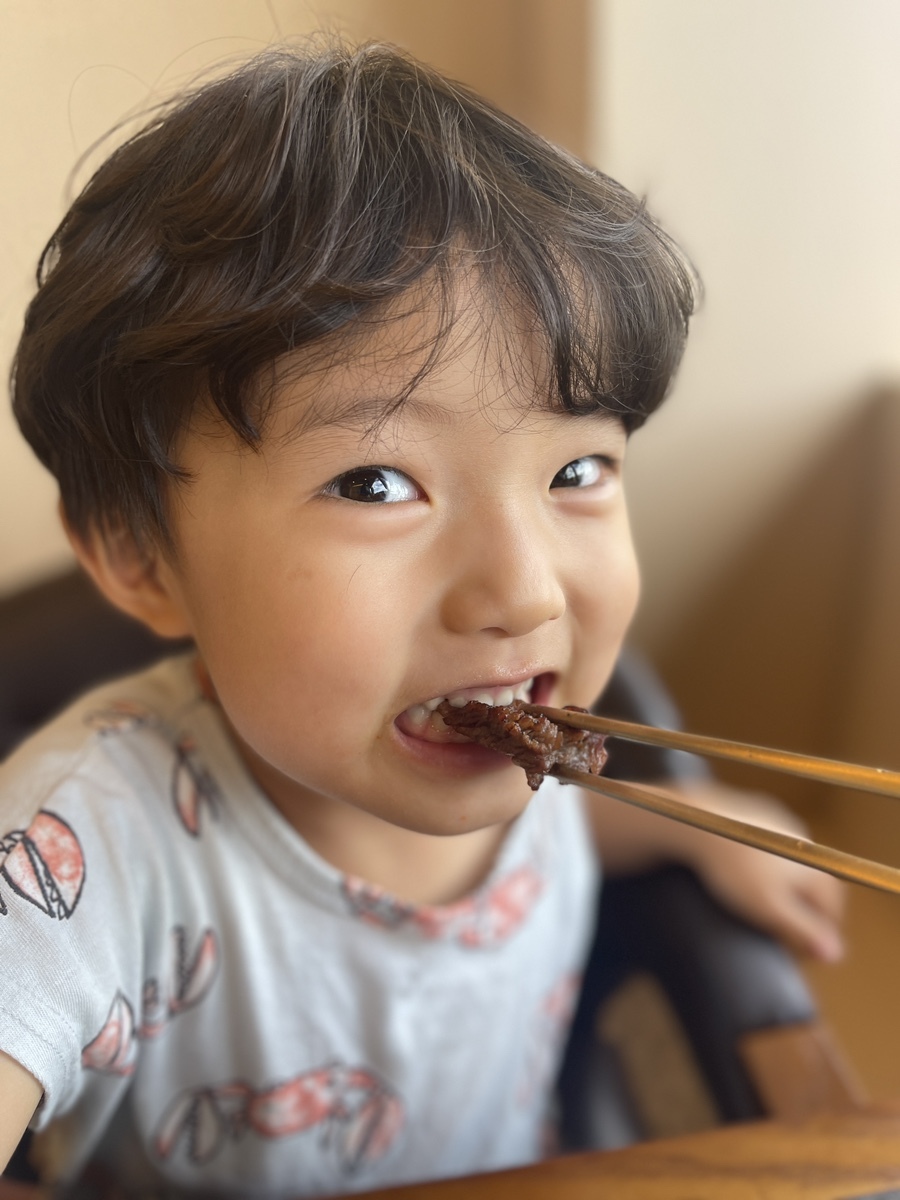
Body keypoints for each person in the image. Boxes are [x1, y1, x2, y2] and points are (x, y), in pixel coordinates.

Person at [0, 40, 843, 1198]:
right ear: (140, 551)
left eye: (578, 471)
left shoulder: (512, 753)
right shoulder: (84, 846)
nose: (525, 593)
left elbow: (554, 829)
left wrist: (681, 826)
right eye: (375, 484)